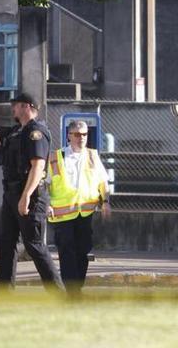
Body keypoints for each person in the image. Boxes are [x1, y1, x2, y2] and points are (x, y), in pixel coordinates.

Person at [0, 91, 63, 290]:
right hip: (11, 194)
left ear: (27, 107)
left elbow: (37, 167)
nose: (13, 108)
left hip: (30, 196)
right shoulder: (15, 132)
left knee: (34, 245)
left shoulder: (36, 132)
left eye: (16, 105)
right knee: (7, 244)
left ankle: (58, 295)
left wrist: (26, 196)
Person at [47, 120, 110, 293]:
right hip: (62, 214)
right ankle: (72, 290)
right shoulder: (55, 157)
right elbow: (43, 183)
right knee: (67, 251)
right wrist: (46, 203)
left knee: (83, 251)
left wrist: (105, 201)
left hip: (85, 213)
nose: (81, 138)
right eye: (77, 134)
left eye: (84, 134)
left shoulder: (92, 155)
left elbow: (103, 181)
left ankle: (77, 286)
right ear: (69, 136)